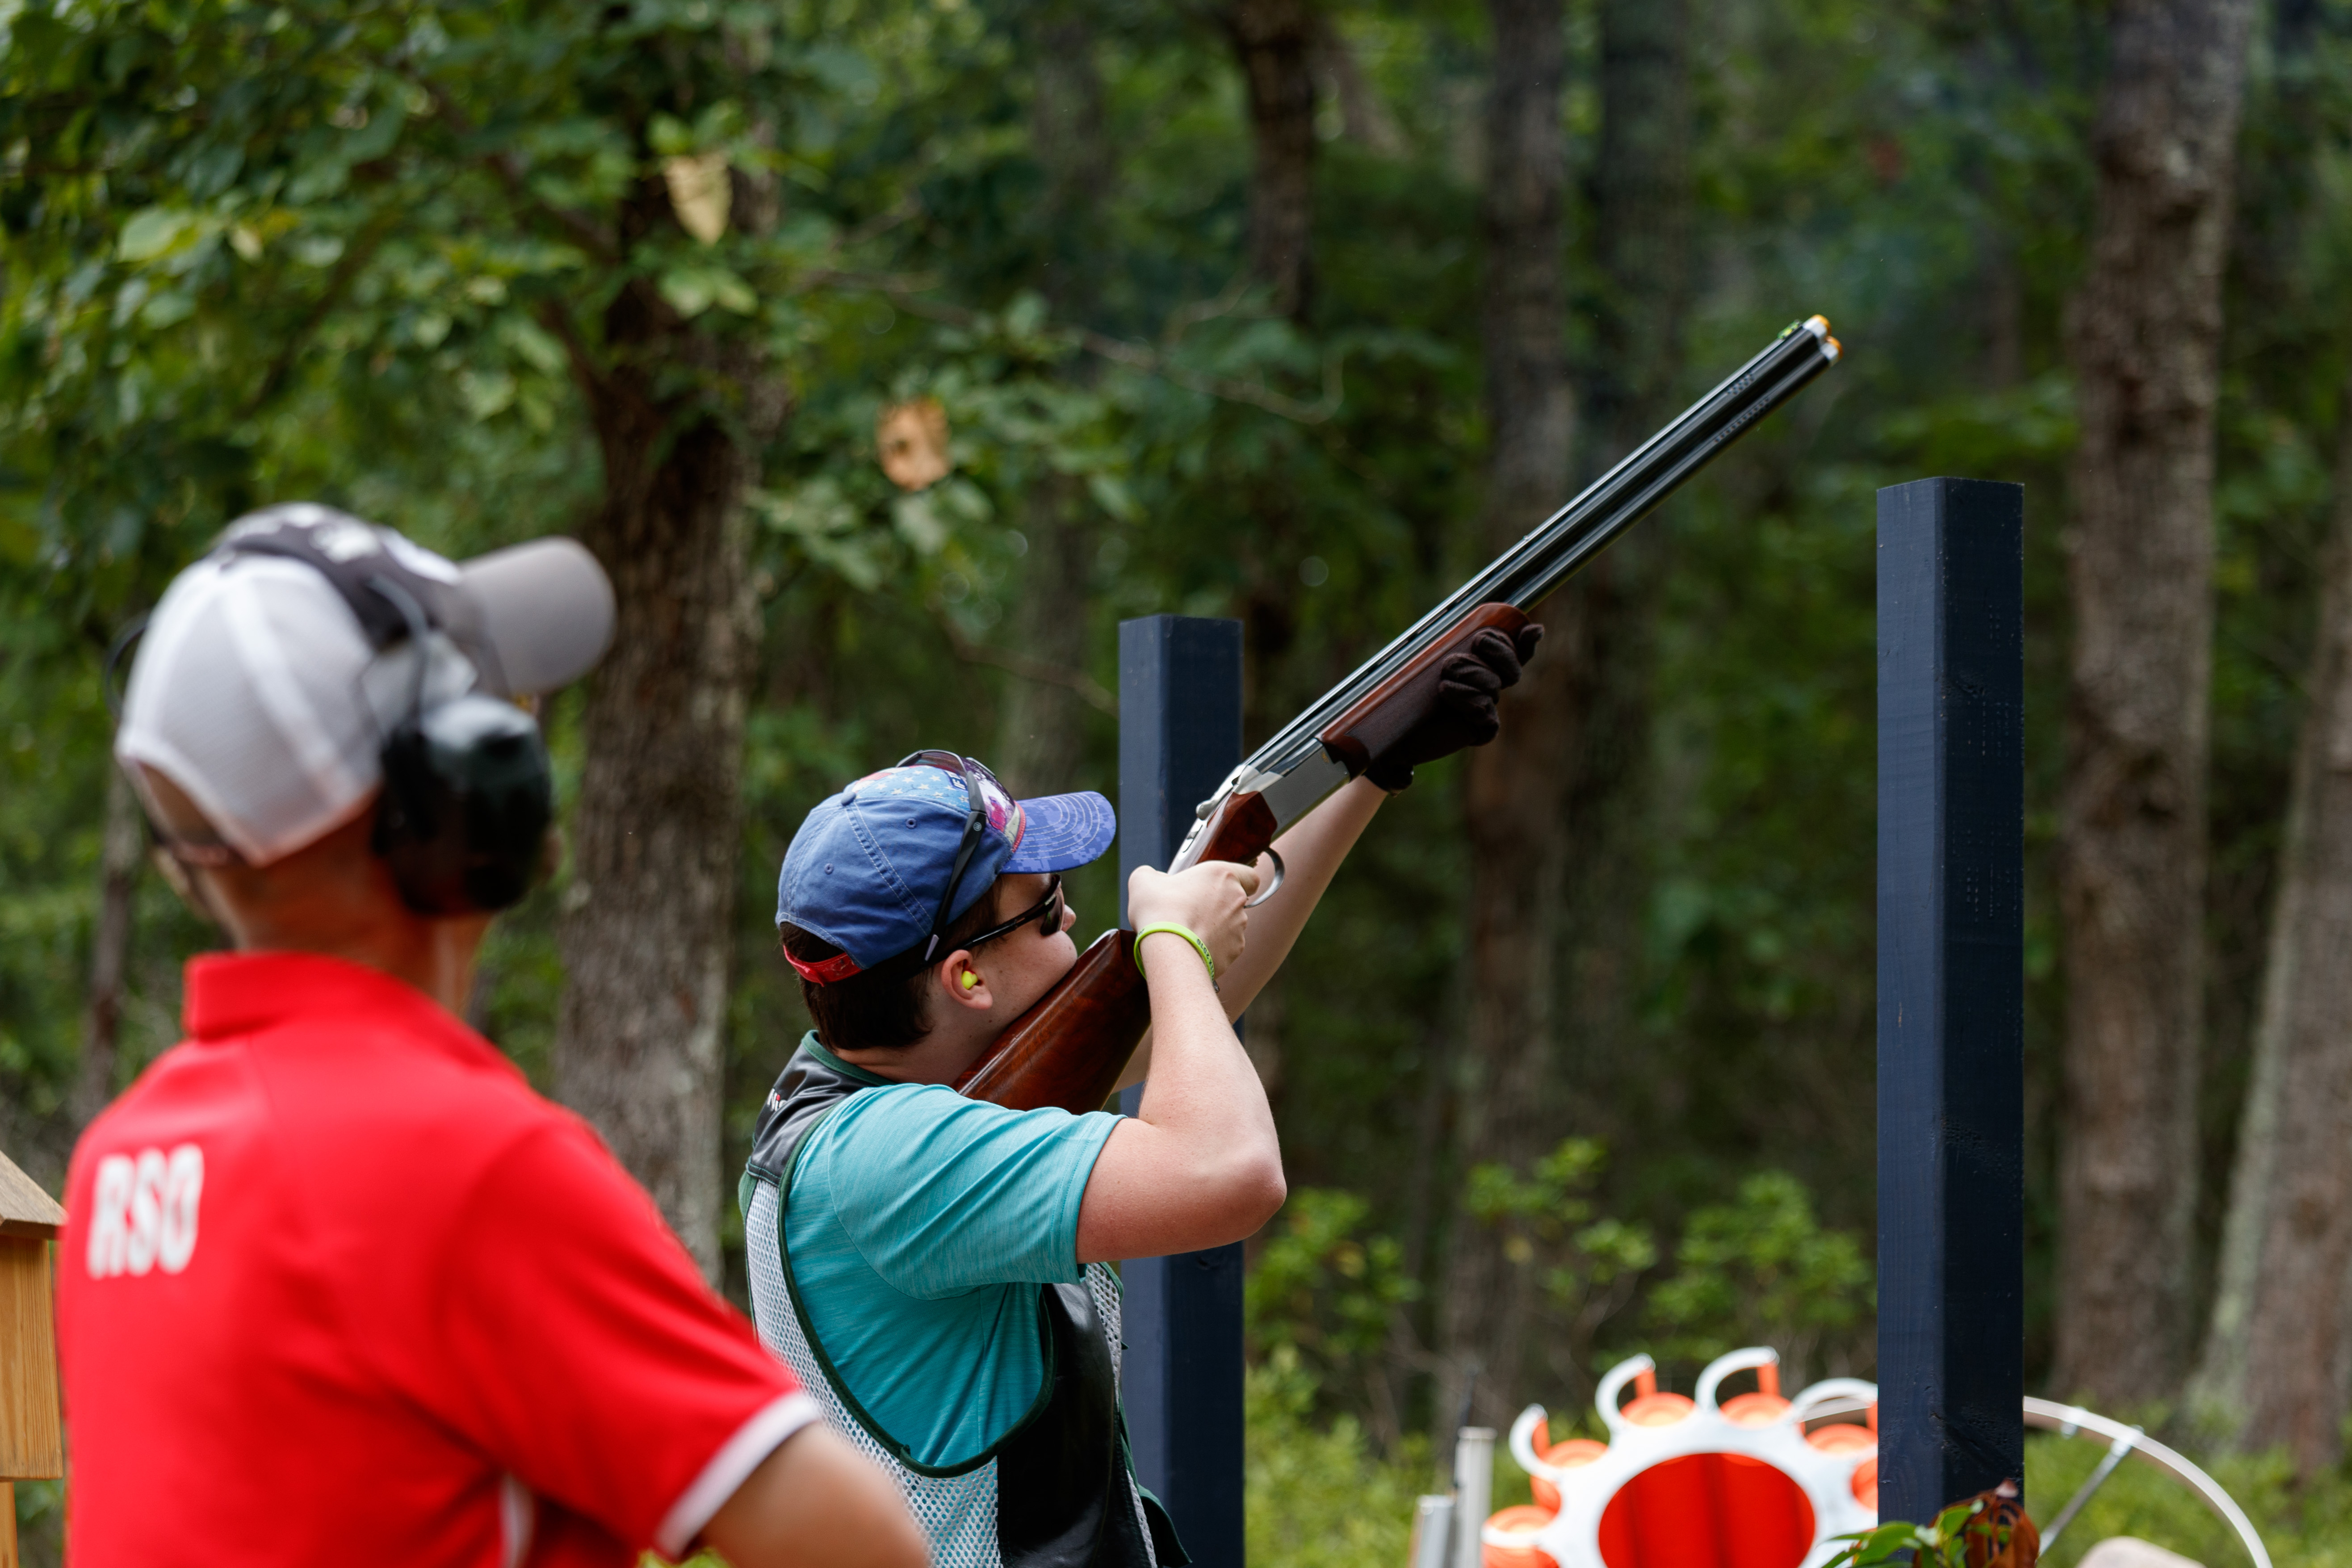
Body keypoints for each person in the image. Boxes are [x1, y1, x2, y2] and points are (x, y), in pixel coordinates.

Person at [57, 506, 924, 1568]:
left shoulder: (120, 1163)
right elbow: (866, 1547)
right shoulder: (470, 1163)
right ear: (463, 802)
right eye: (504, 712)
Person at [741, 623, 1541, 1568]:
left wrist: (1368, 770)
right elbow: (1230, 1170)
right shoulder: (884, 1158)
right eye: (1045, 908)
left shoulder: (872, 1089)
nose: (1077, 919)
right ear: (965, 980)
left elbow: (1187, 1020)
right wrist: (1169, 944)